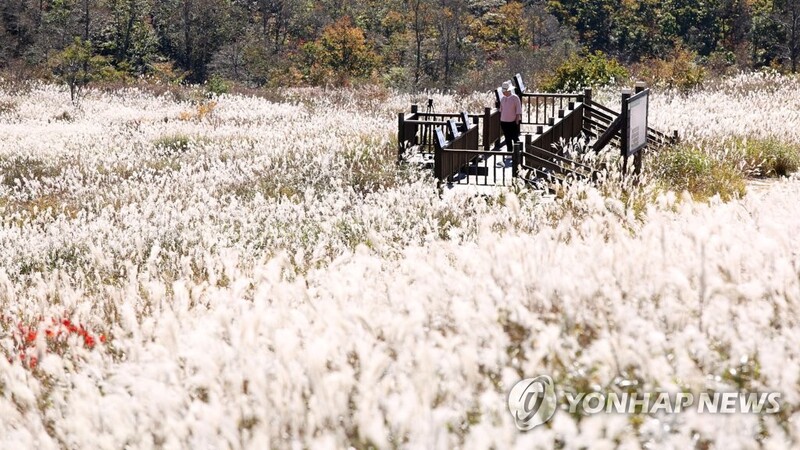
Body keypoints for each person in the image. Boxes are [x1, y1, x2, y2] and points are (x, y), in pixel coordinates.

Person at [499, 80, 522, 152]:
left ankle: (518, 151)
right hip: (503, 121)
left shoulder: (515, 98)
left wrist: (517, 119)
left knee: (515, 137)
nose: (503, 93)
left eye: (504, 91)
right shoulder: (502, 99)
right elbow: (501, 110)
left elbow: (518, 109)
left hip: (512, 121)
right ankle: (509, 151)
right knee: (507, 137)